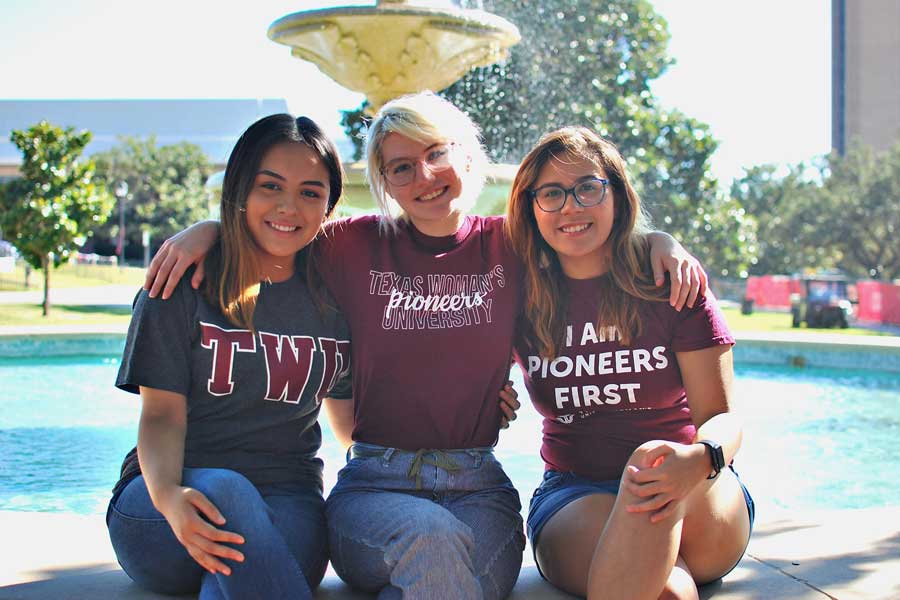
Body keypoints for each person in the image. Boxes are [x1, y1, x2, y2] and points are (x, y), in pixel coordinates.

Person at [143, 92, 707, 599]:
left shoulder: (512, 244)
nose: (425, 176)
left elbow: (586, 229)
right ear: (384, 182)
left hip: (479, 487)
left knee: (441, 573)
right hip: (374, 486)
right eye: (401, 167)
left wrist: (660, 241)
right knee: (431, 542)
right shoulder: (350, 245)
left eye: (437, 153)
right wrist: (208, 230)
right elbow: (280, 227)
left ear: (467, 155)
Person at [106, 114, 351, 599]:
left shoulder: (336, 297)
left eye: (310, 192)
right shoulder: (179, 285)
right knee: (231, 492)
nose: (288, 206)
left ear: (329, 205)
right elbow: (160, 418)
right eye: (270, 186)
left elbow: (350, 426)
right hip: (164, 504)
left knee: (246, 564)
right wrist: (170, 498)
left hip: (288, 499)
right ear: (240, 188)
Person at [505, 127, 754, 600]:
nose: (571, 207)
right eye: (551, 194)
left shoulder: (670, 284)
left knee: (650, 463)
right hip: (576, 495)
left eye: (587, 188)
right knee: (667, 593)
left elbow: (723, 419)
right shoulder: (518, 296)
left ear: (616, 194)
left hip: (696, 484)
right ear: (530, 207)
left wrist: (700, 458)